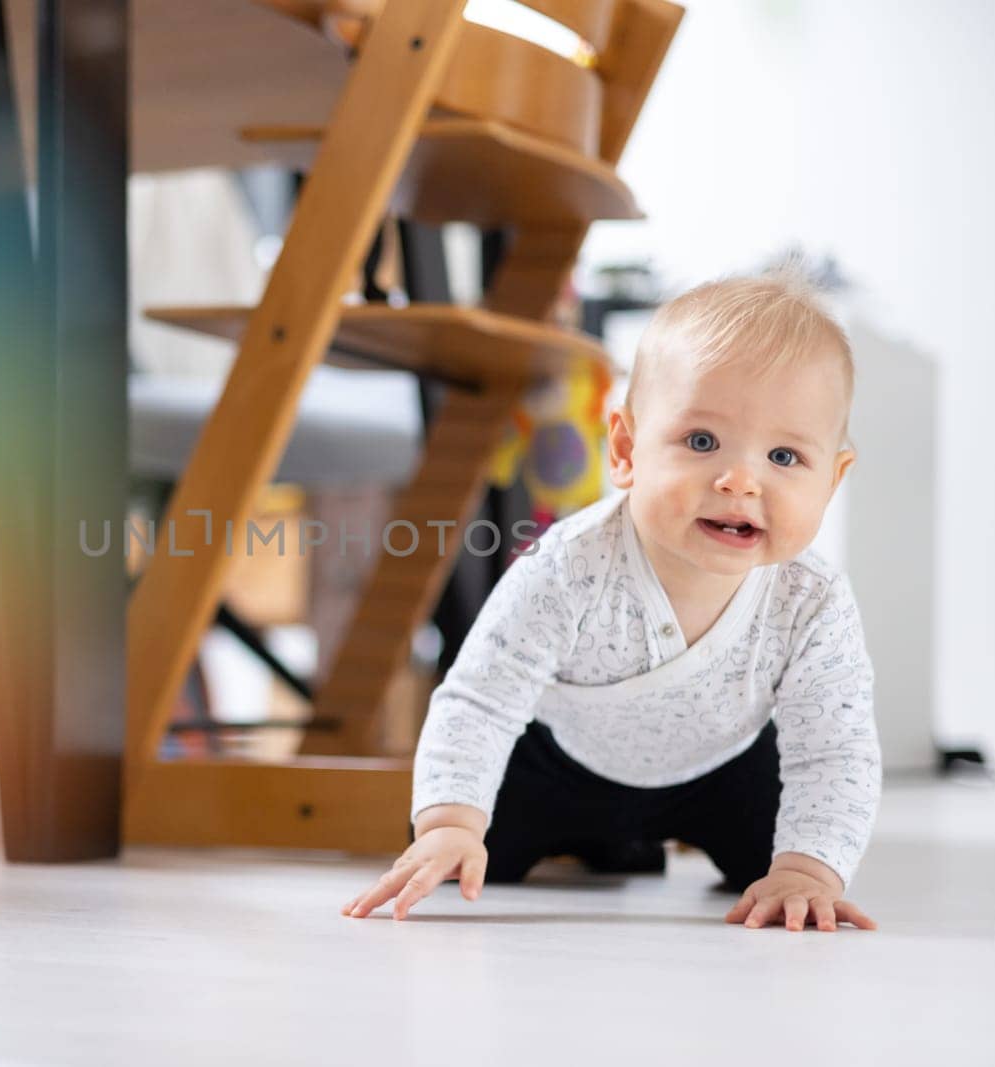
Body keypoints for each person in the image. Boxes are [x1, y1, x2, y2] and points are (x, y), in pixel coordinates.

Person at [343, 274, 881, 932]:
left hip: (726, 768)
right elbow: (482, 696)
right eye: (703, 442)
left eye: (784, 455)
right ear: (626, 450)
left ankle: (644, 842)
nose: (740, 480)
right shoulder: (569, 565)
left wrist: (810, 868)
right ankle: (602, 839)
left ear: (833, 477)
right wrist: (449, 821)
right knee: (472, 849)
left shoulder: (811, 598)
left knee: (782, 872)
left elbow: (833, 747)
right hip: (561, 762)